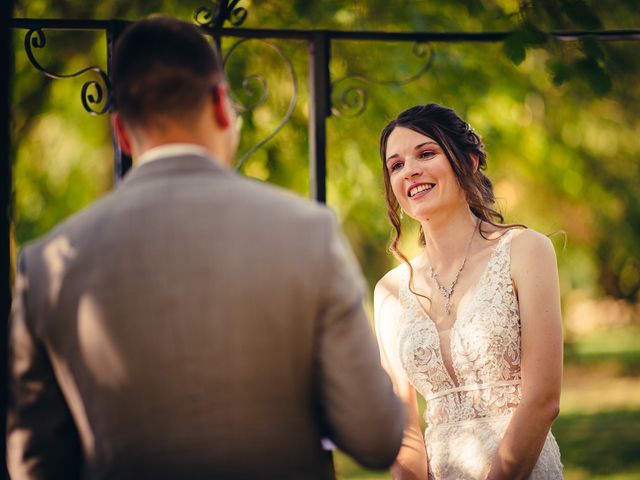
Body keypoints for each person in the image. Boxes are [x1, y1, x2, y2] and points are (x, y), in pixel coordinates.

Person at [7, 17, 406, 479]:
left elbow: (34, 463)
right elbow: (376, 439)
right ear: (220, 104)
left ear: (120, 131)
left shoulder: (47, 262)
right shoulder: (305, 232)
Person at [374, 104, 563, 479]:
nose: (410, 170)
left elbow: (543, 400)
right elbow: (405, 430)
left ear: (470, 160)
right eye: (395, 165)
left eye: (426, 153)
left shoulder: (525, 250)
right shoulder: (390, 291)